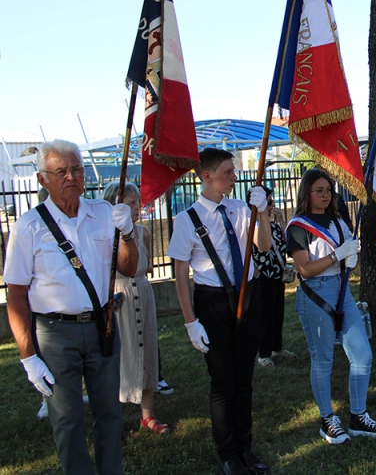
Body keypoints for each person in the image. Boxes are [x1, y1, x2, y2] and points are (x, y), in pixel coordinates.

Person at [4, 139, 139, 475]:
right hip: (55, 334)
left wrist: (127, 234)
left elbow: (128, 268)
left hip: (101, 326)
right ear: (42, 180)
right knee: (67, 419)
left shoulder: (103, 213)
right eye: (61, 171)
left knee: (109, 413)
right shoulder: (29, 227)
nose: (71, 176)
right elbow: (16, 293)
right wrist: (28, 356)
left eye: (76, 169)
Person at [168, 148, 272, 475]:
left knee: (245, 380)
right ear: (207, 176)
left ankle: (245, 448)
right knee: (223, 381)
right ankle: (227, 453)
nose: (235, 177)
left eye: (235, 171)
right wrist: (190, 321)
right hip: (212, 303)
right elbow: (180, 274)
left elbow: (264, 246)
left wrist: (264, 212)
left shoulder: (242, 209)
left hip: (247, 296)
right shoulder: (186, 220)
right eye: (228, 172)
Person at [286, 168, 376, 445]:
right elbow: (306, 269)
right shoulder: (298, 226)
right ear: (306, 192)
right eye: (318, 190)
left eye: (328, 190)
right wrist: (336, 256)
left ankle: (358, 415)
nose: (325, 195)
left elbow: (347, 254)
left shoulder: (338, 221)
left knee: (362, 355)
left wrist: (349, 258)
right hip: (315, 293)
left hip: (342, 290)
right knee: (323, 360)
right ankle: (327, 419)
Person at [103, 182, 167, 434]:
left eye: (138, 201)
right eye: (131, 202)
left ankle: (147, 413)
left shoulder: (144, 233)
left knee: (147, 348)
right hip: (119, 297)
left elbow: (146, 266)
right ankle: (112, 414)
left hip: (141, 291)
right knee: (120, 353)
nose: (137, 206)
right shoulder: (107, 234)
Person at [251, 186, 295, 368]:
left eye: (271, 202)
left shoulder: (275, 226)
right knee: (265, 316)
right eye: (268, 203)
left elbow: (288, 242)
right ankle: (263, 353)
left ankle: (277, 347)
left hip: (277, 276)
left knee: (278, 314)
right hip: (263, 277)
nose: (271, 206)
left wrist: (282, 220)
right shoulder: (253, 226)